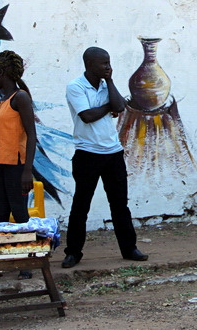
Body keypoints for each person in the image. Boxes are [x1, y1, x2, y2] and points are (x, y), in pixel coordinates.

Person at [62, 47, 147, 268]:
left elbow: (120, 106)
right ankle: (73, 252)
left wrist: (109, 82)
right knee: (81, 205)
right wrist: (108, 106)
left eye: (109, 63)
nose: (108, 67)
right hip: (87, 153)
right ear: (90, 64)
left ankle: (129, 249)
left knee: (120, 205)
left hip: (113, 153)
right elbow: (87, 116)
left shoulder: (104, 85)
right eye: (104, 63)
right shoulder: (76, 87)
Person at [0, 50, 37, 280]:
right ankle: (1, 261)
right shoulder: (2, 102)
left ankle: (26, 261)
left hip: (15, 165)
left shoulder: (20, 98)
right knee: (1, 215)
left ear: (2, 72)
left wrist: (27, 170)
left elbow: (32, 135)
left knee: (19, 213)